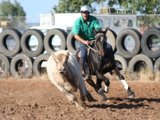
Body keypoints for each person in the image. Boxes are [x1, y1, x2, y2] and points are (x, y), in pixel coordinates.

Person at [72, 5, 113, 80]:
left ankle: (112, 65)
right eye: (83, 13)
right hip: (83, 42)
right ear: (81, 13)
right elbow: (75, 35)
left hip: (94, 40)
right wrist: (84, 41)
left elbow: (97, 28)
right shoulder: (78, 22)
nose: (85, 14)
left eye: (86, 13)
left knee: (109, 47)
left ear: (89, 13)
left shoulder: (93, 19)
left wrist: (98, 33)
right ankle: (86, 72)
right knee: (83, 55)